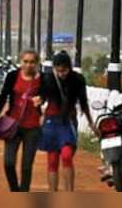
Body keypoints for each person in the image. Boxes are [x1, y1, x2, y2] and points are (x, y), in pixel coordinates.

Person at [34, 51, 97, 192]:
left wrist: (91, 124)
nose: (62, 73)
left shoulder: (78, 79)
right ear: (54, 68)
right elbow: (41, 97)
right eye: (58, 70)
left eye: (64, 70)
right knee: (52, 160)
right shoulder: (48, 79)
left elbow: (84, 102)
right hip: (51, 121)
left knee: (67, 155)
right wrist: (39, 105)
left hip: (68, 121)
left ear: (69, 67)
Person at [0, 49, 42, 191]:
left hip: (33, 127)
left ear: (37, 63)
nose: (29, 65)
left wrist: (42, 99)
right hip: (12, 125)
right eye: (25, 61)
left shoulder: (43, 79)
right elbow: (3, 97)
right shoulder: (13, 76)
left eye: (32, 62)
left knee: (26, 166)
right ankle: (15, 189)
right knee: (8, 163)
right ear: (20, 62)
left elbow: (48, 95)